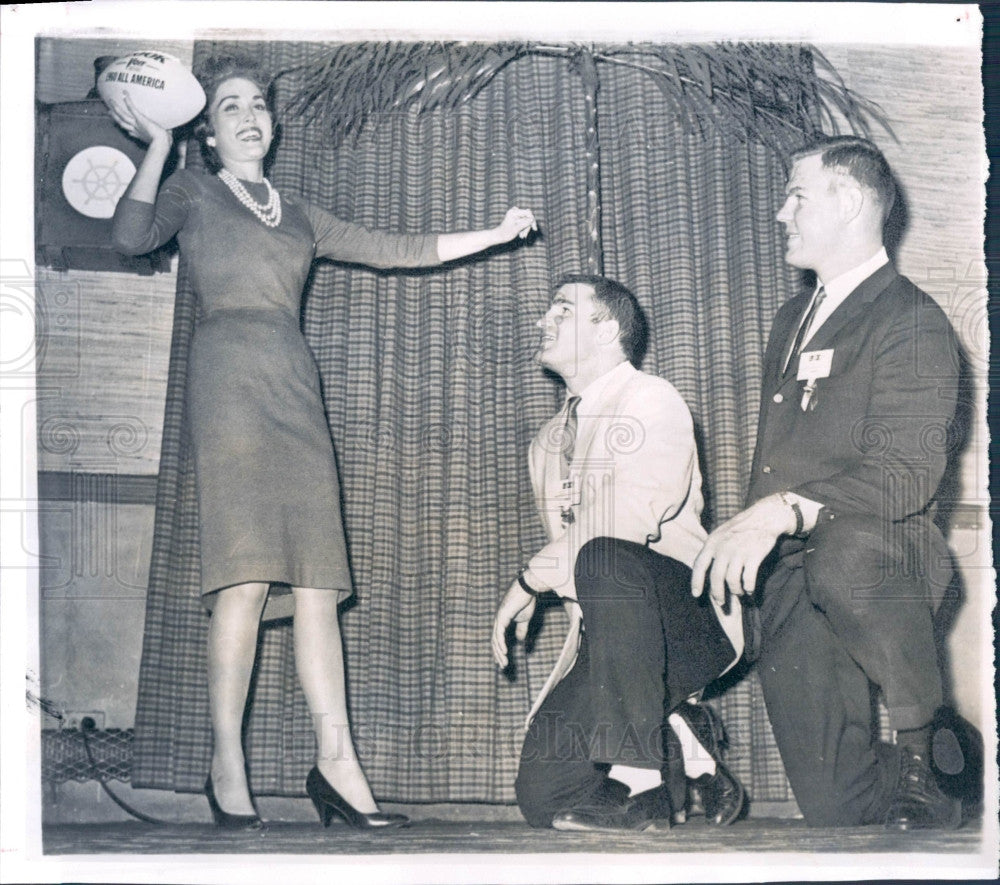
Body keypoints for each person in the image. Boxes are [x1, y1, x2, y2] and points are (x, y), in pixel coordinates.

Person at [110, 55, 537, 831]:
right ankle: (226, 762)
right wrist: (155, 144)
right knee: (242, 578)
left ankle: (339, 762)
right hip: (228, 383)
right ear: (207, 133)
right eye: (231, 107)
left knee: (316, 582)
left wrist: (498, 233)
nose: (248, 116)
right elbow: (131, 233)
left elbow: (396, 247)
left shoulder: (299, 211)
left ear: (272, 127)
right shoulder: (191, 190)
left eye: (259, 106)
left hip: (296, 390)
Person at [691, 136, 974, 829]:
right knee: (834, 801)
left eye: (797, 195)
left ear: (847, 201)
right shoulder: (794, 318)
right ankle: (959, 775)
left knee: (846, 555)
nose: (781, 211)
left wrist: (783, 510)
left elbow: (904, 475)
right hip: (794, 565)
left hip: (882, 555)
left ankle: (927, 750)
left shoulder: (909, 318)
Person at [491, 275, 747, 832]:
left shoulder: (651, 399)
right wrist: (553, 581)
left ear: (607, 329)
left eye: (562, 308)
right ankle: (681, 732)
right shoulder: (547, 444)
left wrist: (531, 580)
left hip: (687, 619)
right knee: (545, 796)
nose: (543, 320)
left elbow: (620, 528)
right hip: (615, 635)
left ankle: (643, 784)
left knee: (607, 552)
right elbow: (575, 558)